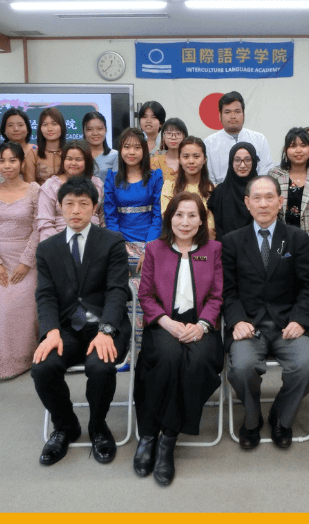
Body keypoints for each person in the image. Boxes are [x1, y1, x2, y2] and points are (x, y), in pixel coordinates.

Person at [31, 178, 131, 467]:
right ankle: (65, 426)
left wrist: (107, 330)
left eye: (84, 204)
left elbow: (116, 290)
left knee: (100, 367)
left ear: (94, 208)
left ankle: (98, 426)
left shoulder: (111, 241)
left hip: (105, 326)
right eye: (69, 204)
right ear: (60, 207)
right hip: (66, 328)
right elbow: (45, 295)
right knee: (43, 367)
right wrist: (50, 331)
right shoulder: (47, 249)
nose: (76, 210)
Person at [222, 176, 309, 450]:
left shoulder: (297, 238)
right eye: (257, 198)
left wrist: (301, 321)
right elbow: (227, 291)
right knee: (241, 367)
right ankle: (252, 418)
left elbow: (308, 287)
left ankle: (281, 415)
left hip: (288, 323)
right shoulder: (231, 241)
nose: (263, 203)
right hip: (249, 323)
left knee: (307, 364)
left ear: (280, 202)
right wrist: (237, 320)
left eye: (269, 197)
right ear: (247, 203)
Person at [134, 193, 224, 485]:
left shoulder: (213, 250)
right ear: (169, 218)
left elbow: (217, 296)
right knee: (168, 358)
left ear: (202, 220)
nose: (185, 222)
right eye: (179, 215)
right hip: (164, 323)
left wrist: (201, 325)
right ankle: (149, 435)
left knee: (197, 361)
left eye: (192, 216)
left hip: (201, 325)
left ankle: (166, 440)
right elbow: (145, 295)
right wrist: (168, 323)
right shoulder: (155, 249)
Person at [0, 142, 40, 380]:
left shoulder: (34, 189)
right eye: (2, 161)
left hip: (26, 259)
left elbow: (39, 227)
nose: (7, 166)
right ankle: (3, 364)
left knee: (24, 312)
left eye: (12, 160)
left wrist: (26, 261)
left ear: (22, 163)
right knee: (0, 313)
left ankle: (26, 359)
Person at [268, 127, 309, 273]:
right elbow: (272, 210)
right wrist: (283, 243)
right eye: (293, 146)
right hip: (280, 245)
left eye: (303, 146)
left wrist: (307, 245)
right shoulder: (275, 174)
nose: (298, 150)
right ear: (285, 149)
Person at [103, 127, 164, 252]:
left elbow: (158, 216)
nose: (131, 152)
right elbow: (110, 217)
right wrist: (120, 246)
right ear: (120, 150)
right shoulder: (111, 178)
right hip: (120, 242)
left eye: (137, 147)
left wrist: (149, 247)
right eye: (126, 147)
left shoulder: (156, 177)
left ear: (144, 150)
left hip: (150, 239)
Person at [38, 140, 104, 242]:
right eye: (69, 159)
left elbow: (103, 219)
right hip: (59, 244)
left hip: (94, 242)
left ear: (87, 161)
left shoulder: (98, 184)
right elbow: (45, 224)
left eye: (78, 159)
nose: (73, 163)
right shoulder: (50, 186)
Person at [204, 91, 273, 184]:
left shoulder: (259, 139)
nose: (233, 116)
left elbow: (265, 172)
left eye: (237, 111)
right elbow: (209, 178)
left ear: (243, 115)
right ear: (220, 116)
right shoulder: (209, 143)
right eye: (227, 112)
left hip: (255, 193)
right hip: (222, 194)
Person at [160, 136, 215, 239]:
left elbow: (211, 228)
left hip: (205, 244)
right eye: (186, 156)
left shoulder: (212, 190)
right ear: (179, 159)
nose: (191, 161)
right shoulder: (169, 187)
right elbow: (168, 219)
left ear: (204, 159)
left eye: (196, 156)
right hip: (175, 242)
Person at [207, 142, 258, 241]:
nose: (242, 165)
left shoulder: (261, 190)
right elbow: (217, 227)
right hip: (226, 250)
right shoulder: (219, 192)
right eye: (237, 160)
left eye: (247, 160)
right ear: (231, 162)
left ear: (254, 162)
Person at [1, 107, 37, 183]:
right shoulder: (0, 153)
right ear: (4, 130)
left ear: (28, 129)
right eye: (10, 125)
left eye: (20, 125)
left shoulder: (36, 150)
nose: (16, 129)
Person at [35, 106, 67, 186]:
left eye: (54, 124)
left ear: (61, 126)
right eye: (45, 124)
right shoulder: (33, 154)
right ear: (40, 128)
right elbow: (29, 186)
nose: (50, 129)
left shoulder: (69, 152)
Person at [83, 111, 118, 182]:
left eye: (99, 129)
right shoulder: (79, 155)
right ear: (84, 132)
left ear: (105, 130)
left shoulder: (115, 155)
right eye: (90, 129)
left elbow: (116, 184)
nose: (95, 133)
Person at [150, 118, 188, 182]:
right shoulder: (154, 161)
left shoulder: (190, 161)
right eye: (169, 133)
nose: (173, 137)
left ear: (184, 136)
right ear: (163, 137)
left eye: (178, 133)